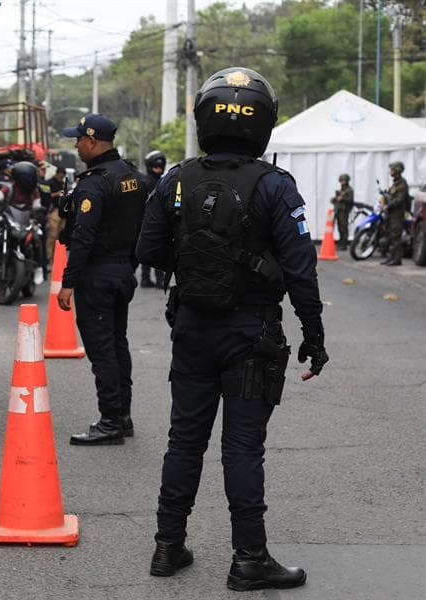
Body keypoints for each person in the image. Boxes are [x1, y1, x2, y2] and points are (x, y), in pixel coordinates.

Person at [137, 67, 328, 591]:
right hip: (252, 334)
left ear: (204, 118)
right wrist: (314, 335)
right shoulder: (274, 185)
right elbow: (301, 269)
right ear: (262, 124)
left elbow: (148, 251)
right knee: (243, 448)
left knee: (184, 441)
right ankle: (249, 559)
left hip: (192, 329)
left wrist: (195, 258)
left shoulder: (175, 179)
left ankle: (167, 547)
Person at [56, 113, 148, 445]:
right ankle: (122, 417)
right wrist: (129, 264)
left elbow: (83, 236)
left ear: (92, 141)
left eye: (78, 139)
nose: (77, 144)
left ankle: (110, 421)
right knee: (117, 344)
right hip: (122, 271)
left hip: (98, 275)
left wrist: (68, 281)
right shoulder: (134, 177)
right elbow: (144, 230)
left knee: (102, 350)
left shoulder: (95, 182)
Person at [140, 150, 167, 288]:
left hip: (154, 221)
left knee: (156, 250)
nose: (158, 169)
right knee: (153, 250)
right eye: (155, 166)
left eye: (160, 167)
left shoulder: (162, 182)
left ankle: (155, 279)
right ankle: (150, 279)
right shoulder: (147, 182)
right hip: (150, 220)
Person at [381, 161, 408, 266]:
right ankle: (390, 257)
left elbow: (399, 199)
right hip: (391, 214)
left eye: (392, 170)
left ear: (397, 171)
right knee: (391, 236)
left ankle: (397, 260)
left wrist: (388, 205)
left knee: (396, 237)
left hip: (397, 215)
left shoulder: (402, 184)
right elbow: (391, 196)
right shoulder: (395, 183)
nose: (390, 172)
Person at [45, 164, 67, 261]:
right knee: (52, 235)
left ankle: (56, 256)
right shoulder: (50, 183)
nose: (61, 177)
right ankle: (49, 256)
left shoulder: (63, 183)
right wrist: (57, 194)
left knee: (60, 235)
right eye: (60, 175)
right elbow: (47, 196)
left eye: (63, 175)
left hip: (62, 210)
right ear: (57, 173)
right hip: (54, 210)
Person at [331, 173, 353, 251]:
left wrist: (342, 199)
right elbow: (337, 199)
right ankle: (341, 242)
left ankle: (344, 244)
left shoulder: (349, 190)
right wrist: (334, 199)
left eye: (344, 180)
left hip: (344, 211)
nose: (342, 182)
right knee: (340, 227)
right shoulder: (341, 190)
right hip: (339, 210)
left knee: (344, 227)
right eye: (341, 180)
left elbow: (350, 200)